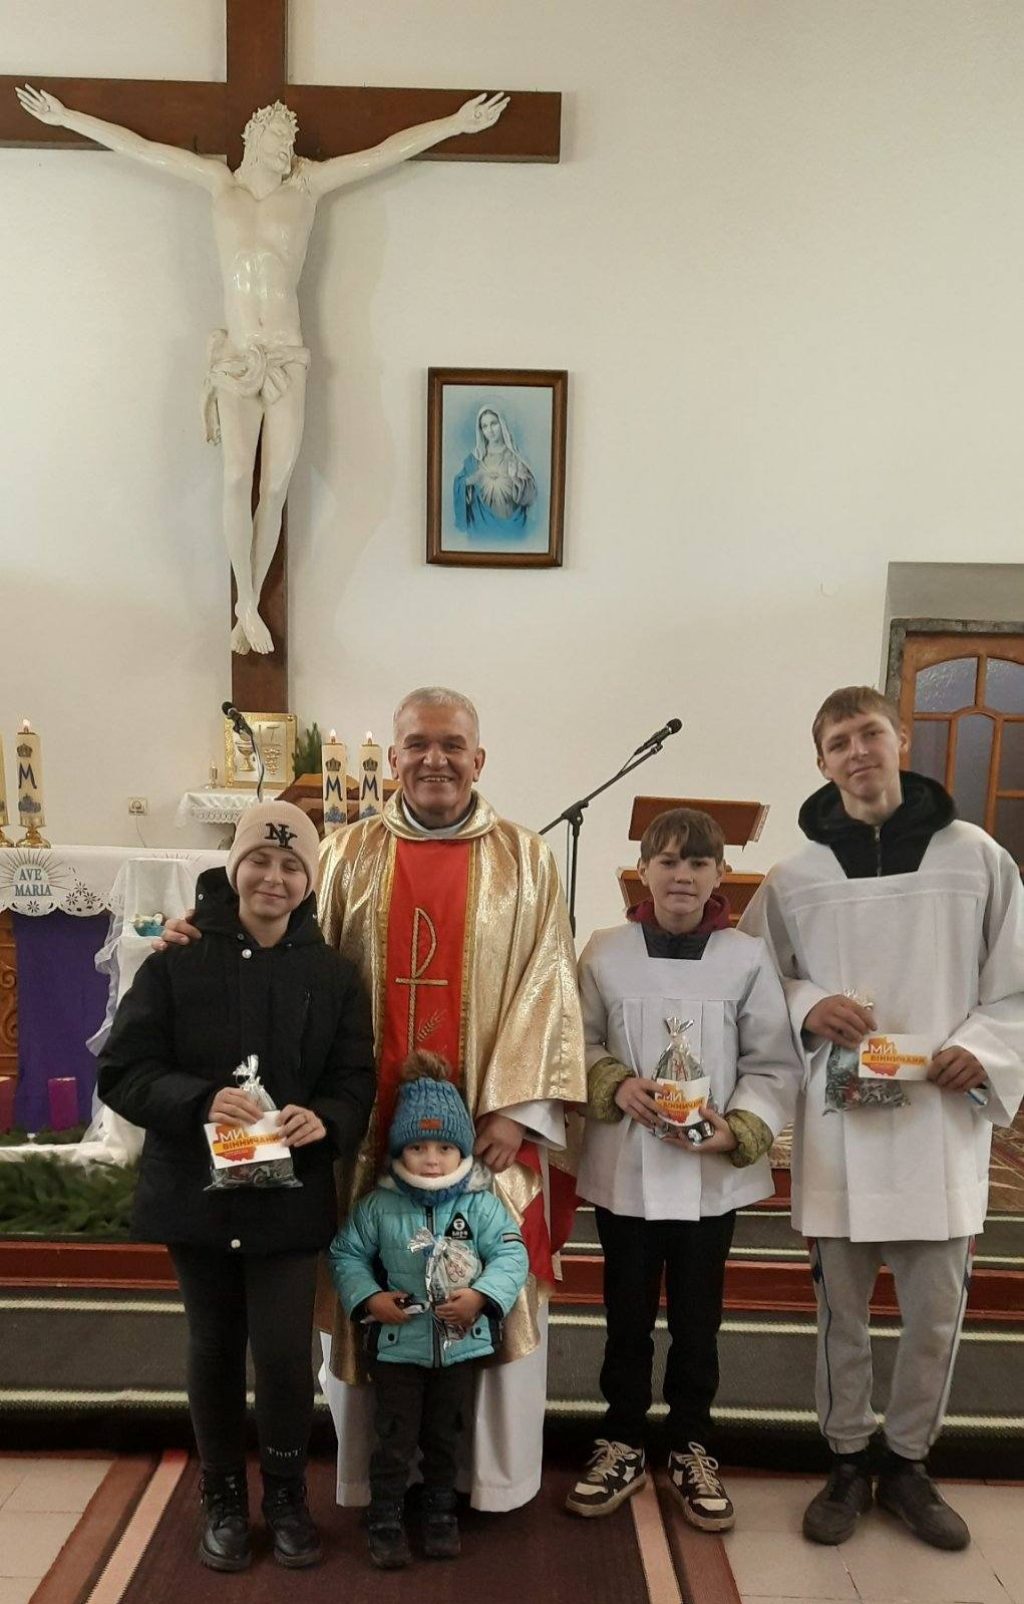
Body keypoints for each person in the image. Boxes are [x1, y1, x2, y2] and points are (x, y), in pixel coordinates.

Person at [159, 686, 586, 1513]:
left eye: (452, 745)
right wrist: (199, 931)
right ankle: (379, 1477)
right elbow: (273, 939)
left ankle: (482, 1480)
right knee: (373, 1273)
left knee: (485, 1270)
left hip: (484, 1130)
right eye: (418, 744)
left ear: (479, 759)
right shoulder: (346, 853)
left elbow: (551, 982)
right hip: (364, 1132)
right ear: (393, 759)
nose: (435, 759)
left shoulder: (527, 858)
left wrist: (516, 1111)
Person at [16, 84, 508, 654]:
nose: (286, 146)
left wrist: (453, 124)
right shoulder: (218, 183)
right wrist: (67, 117)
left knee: (274, 484)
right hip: (236, 356)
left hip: (286, 354)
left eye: (291, 139)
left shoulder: (308, 185)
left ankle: (246, 606)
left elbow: (381, 153)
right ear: (254, 133)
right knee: (233, 477)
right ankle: (246, 603)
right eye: (278, 135)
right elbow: (142, 149)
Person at [740, 687, 1024, 1552]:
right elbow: (753, 979)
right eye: (839, 742)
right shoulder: (794, 877)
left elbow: (1017, 977)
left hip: (939, 1119)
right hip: (843, 1130)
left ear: (899, 739)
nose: (857, 751)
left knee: (936, 1313)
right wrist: (807, 1002)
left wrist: (987, 1048)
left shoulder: (974, 856)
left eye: (870, 733)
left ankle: (907, 1462)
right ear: (820, 761)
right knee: (843, 1315)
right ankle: (846, 1459)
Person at [98, 802, 375, 1572]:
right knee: (214, 1346)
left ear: (309, 881)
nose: (273, 878)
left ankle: (285, 1494)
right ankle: (222, 1495)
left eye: (291, 866)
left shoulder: (333, 975)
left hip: (287, 1197)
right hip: (199, 1193)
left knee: (284, 1354)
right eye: (260, 860)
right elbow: (123, 1071)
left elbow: (355, 1078)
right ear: (235, 867)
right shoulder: (176, 962)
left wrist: (326, 1117)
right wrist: (198, 1100)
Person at [566, 808, 802, 1529]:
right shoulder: (605, 951)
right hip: (629, 1170)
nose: (682, 876)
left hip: (709, 1176)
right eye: (667, 861)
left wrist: (741, 1127)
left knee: (699, 1320)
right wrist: (613, 1082)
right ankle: (622, 1438)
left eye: (699, 863)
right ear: (642, 869)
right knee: (626, 1316)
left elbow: (771, 1059)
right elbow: (577, 1039)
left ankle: (692, 1444)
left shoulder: (747, 958)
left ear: (720, 874)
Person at [331, 1051, 529, 1568]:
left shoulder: (480, 1205)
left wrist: (481, 1296)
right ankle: (386, 1516)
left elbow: (512, 1253)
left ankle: (440, 1511)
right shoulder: (379, 1205)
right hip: (398, 1349)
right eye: (418, 1147)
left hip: (458, 1348)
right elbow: (347, 1254)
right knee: (394, 1437)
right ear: (400, 1149)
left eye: (444, 1147)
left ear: (461, 1148)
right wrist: (370, 1298)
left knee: (445, 1435)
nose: (432, 1159)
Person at [453, 407, 537, 534]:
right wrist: (471, 480)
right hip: (480, 527)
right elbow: (459, 483)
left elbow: (531, 497)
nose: (490, 430)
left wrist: (516, 479)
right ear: (481, 430)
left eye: (493, 424)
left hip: (512, 528)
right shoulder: (475, 459)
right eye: (485, 426)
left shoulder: (515, 457)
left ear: (501, 424)